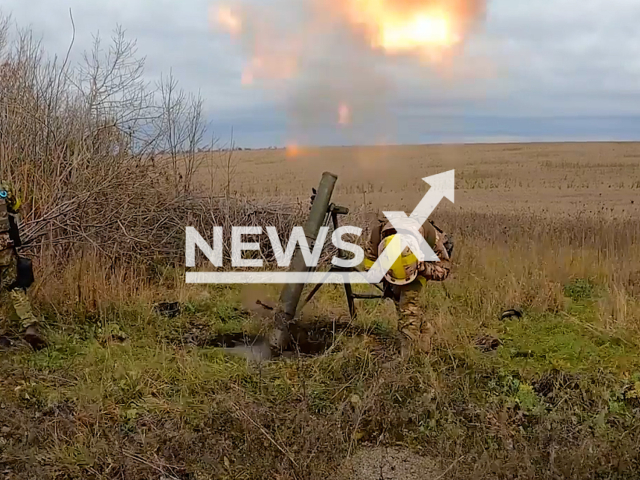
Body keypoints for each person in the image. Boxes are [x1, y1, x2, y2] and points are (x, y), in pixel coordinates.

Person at [363, 212, 453, 356]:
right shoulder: (376, 237)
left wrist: (423, 268)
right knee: (399, 301)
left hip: (422, 267)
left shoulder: (431, 237)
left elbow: (443, 270)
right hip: (391, 270)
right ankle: (426, 330)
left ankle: (409, 358)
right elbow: (369, 270)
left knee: (408, 306)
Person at [0, 181, 46, 349]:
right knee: (15, 286)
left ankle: (2, 335)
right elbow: (16, 206)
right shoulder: (3, 188)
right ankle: (30, 326)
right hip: (4, 246)